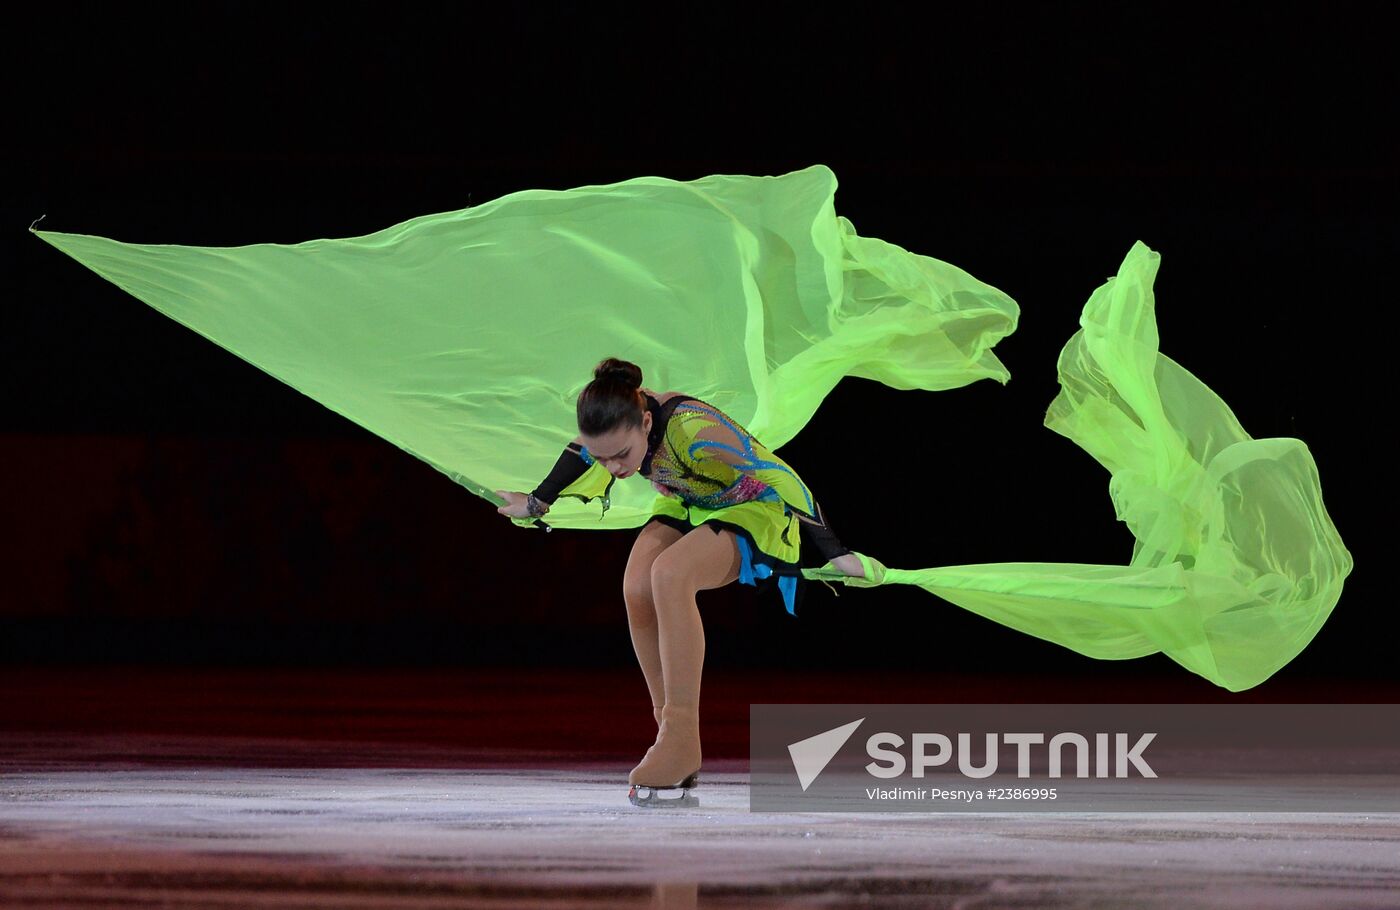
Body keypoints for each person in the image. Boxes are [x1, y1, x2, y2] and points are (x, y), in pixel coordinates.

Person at [495, 357, 863, 806]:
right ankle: (669, 735)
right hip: (689, 502)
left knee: (669, 575)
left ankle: (682, 733)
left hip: (752, 508)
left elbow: (781, 476)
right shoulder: (617, 425)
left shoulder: (694, 431)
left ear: (646, 422)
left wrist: (837, 551)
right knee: (636, 586)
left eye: (622, 456)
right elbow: (580, 453)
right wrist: (536, 503)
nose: (612, 469)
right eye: (604, 457)